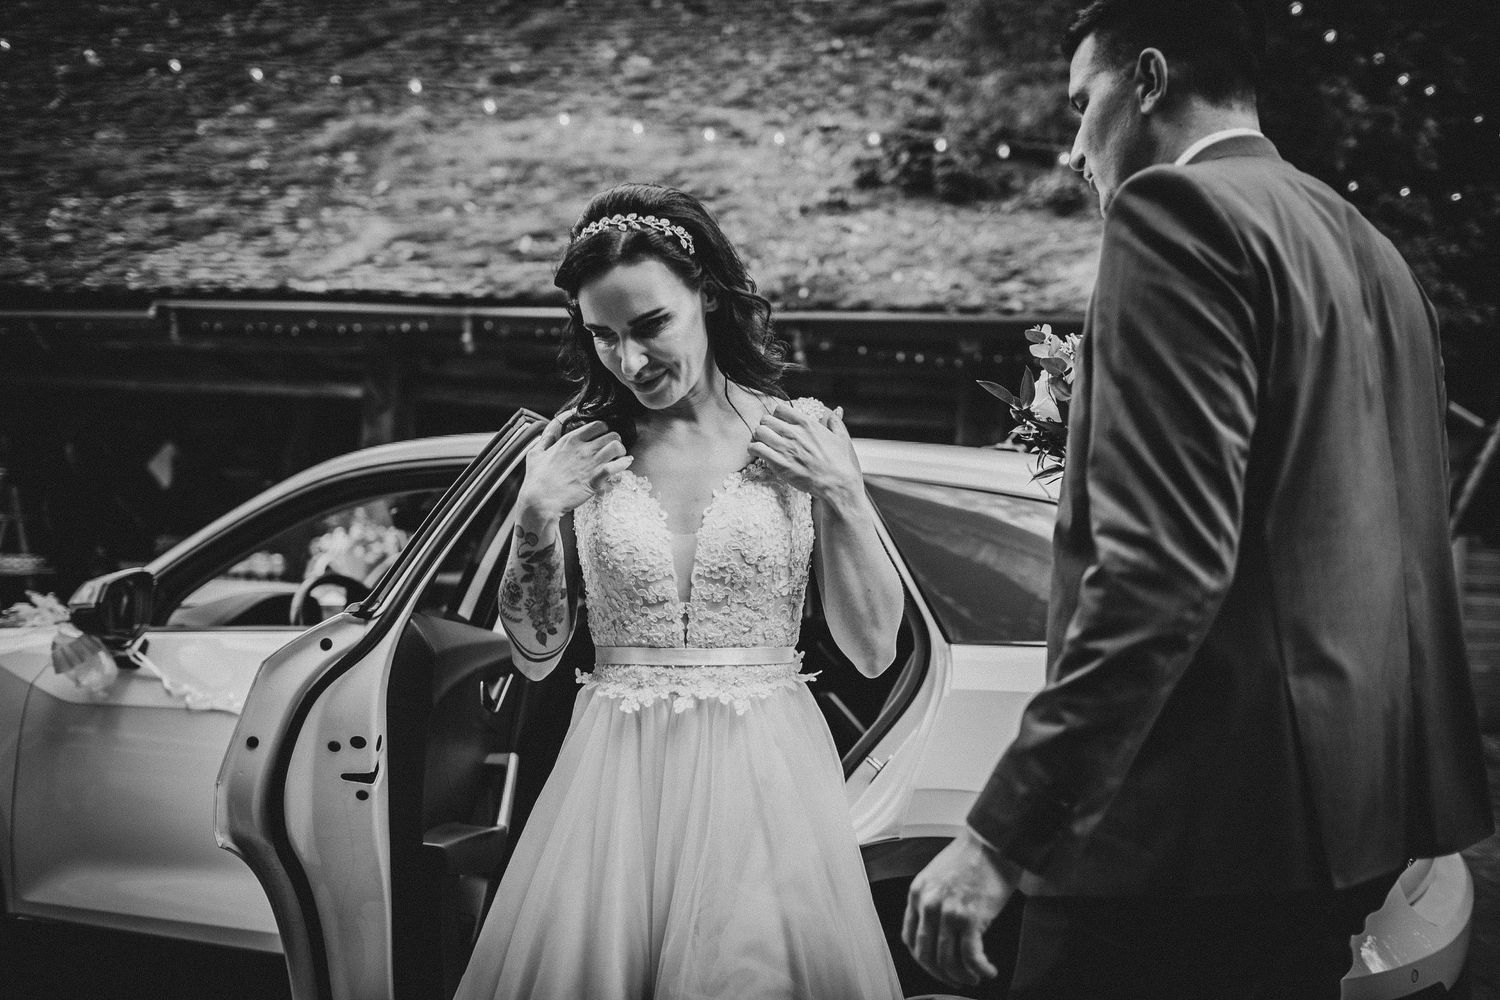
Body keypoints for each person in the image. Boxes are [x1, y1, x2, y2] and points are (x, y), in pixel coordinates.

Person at [902, 1, 1494, 997]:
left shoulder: (1177, 217)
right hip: (1348, 830)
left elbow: (1162, 567)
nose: (1073, 153)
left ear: (1147, 79)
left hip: (1180, 846)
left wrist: (1002, 834)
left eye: (1082, 105)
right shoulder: (1373, 253)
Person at [454, 182, 906, 1000]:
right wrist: (533, 513)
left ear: (707, 295)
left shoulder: (798, 435)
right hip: (615, 782)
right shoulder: (582, 449)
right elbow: (533, 655)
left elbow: (874, 650)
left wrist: (841, 492)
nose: (629, 361)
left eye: (651, 325)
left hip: (764, 778)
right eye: (603, 337)